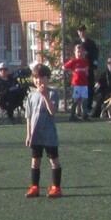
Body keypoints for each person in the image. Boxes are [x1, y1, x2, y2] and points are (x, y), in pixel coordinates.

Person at [24, 63, 62, 198]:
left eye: (41, 77)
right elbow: (28, 116)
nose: (38, 80)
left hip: (49, 134)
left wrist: (45, 96)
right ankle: (35, 187)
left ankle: (56, 188)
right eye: (35, 78)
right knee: (35, 161)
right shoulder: (31, 96)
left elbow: (53, 111)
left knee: (54, 160)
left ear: (47, 79)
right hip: (36, 134)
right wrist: (28, 134)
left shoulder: (52, 93)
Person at [63, 44, 91, 121]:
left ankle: (84, 115)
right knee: (76, 99)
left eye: (81, 52)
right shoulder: (73, 61)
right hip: (76, 84)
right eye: (78, 52)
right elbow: (64, 67)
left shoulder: (85, 61)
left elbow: (87, 70)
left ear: (83, 52)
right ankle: (72, 115)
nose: (79, 53)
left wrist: (86, 72)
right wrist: (71, 71)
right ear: (75, 52)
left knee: (84, 99)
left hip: (84, 83)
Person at [76, 25, 99, 116]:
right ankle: (78, 108)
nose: (82, 33)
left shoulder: (91, 43)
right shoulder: (77, 42)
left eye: (83, 31)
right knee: (79, 88)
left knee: (89, 87)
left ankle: (88, 106)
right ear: (78, 32)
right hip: (79, 69)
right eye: (80, 31)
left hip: (88, 68)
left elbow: (95, 55)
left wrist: (93, 63)